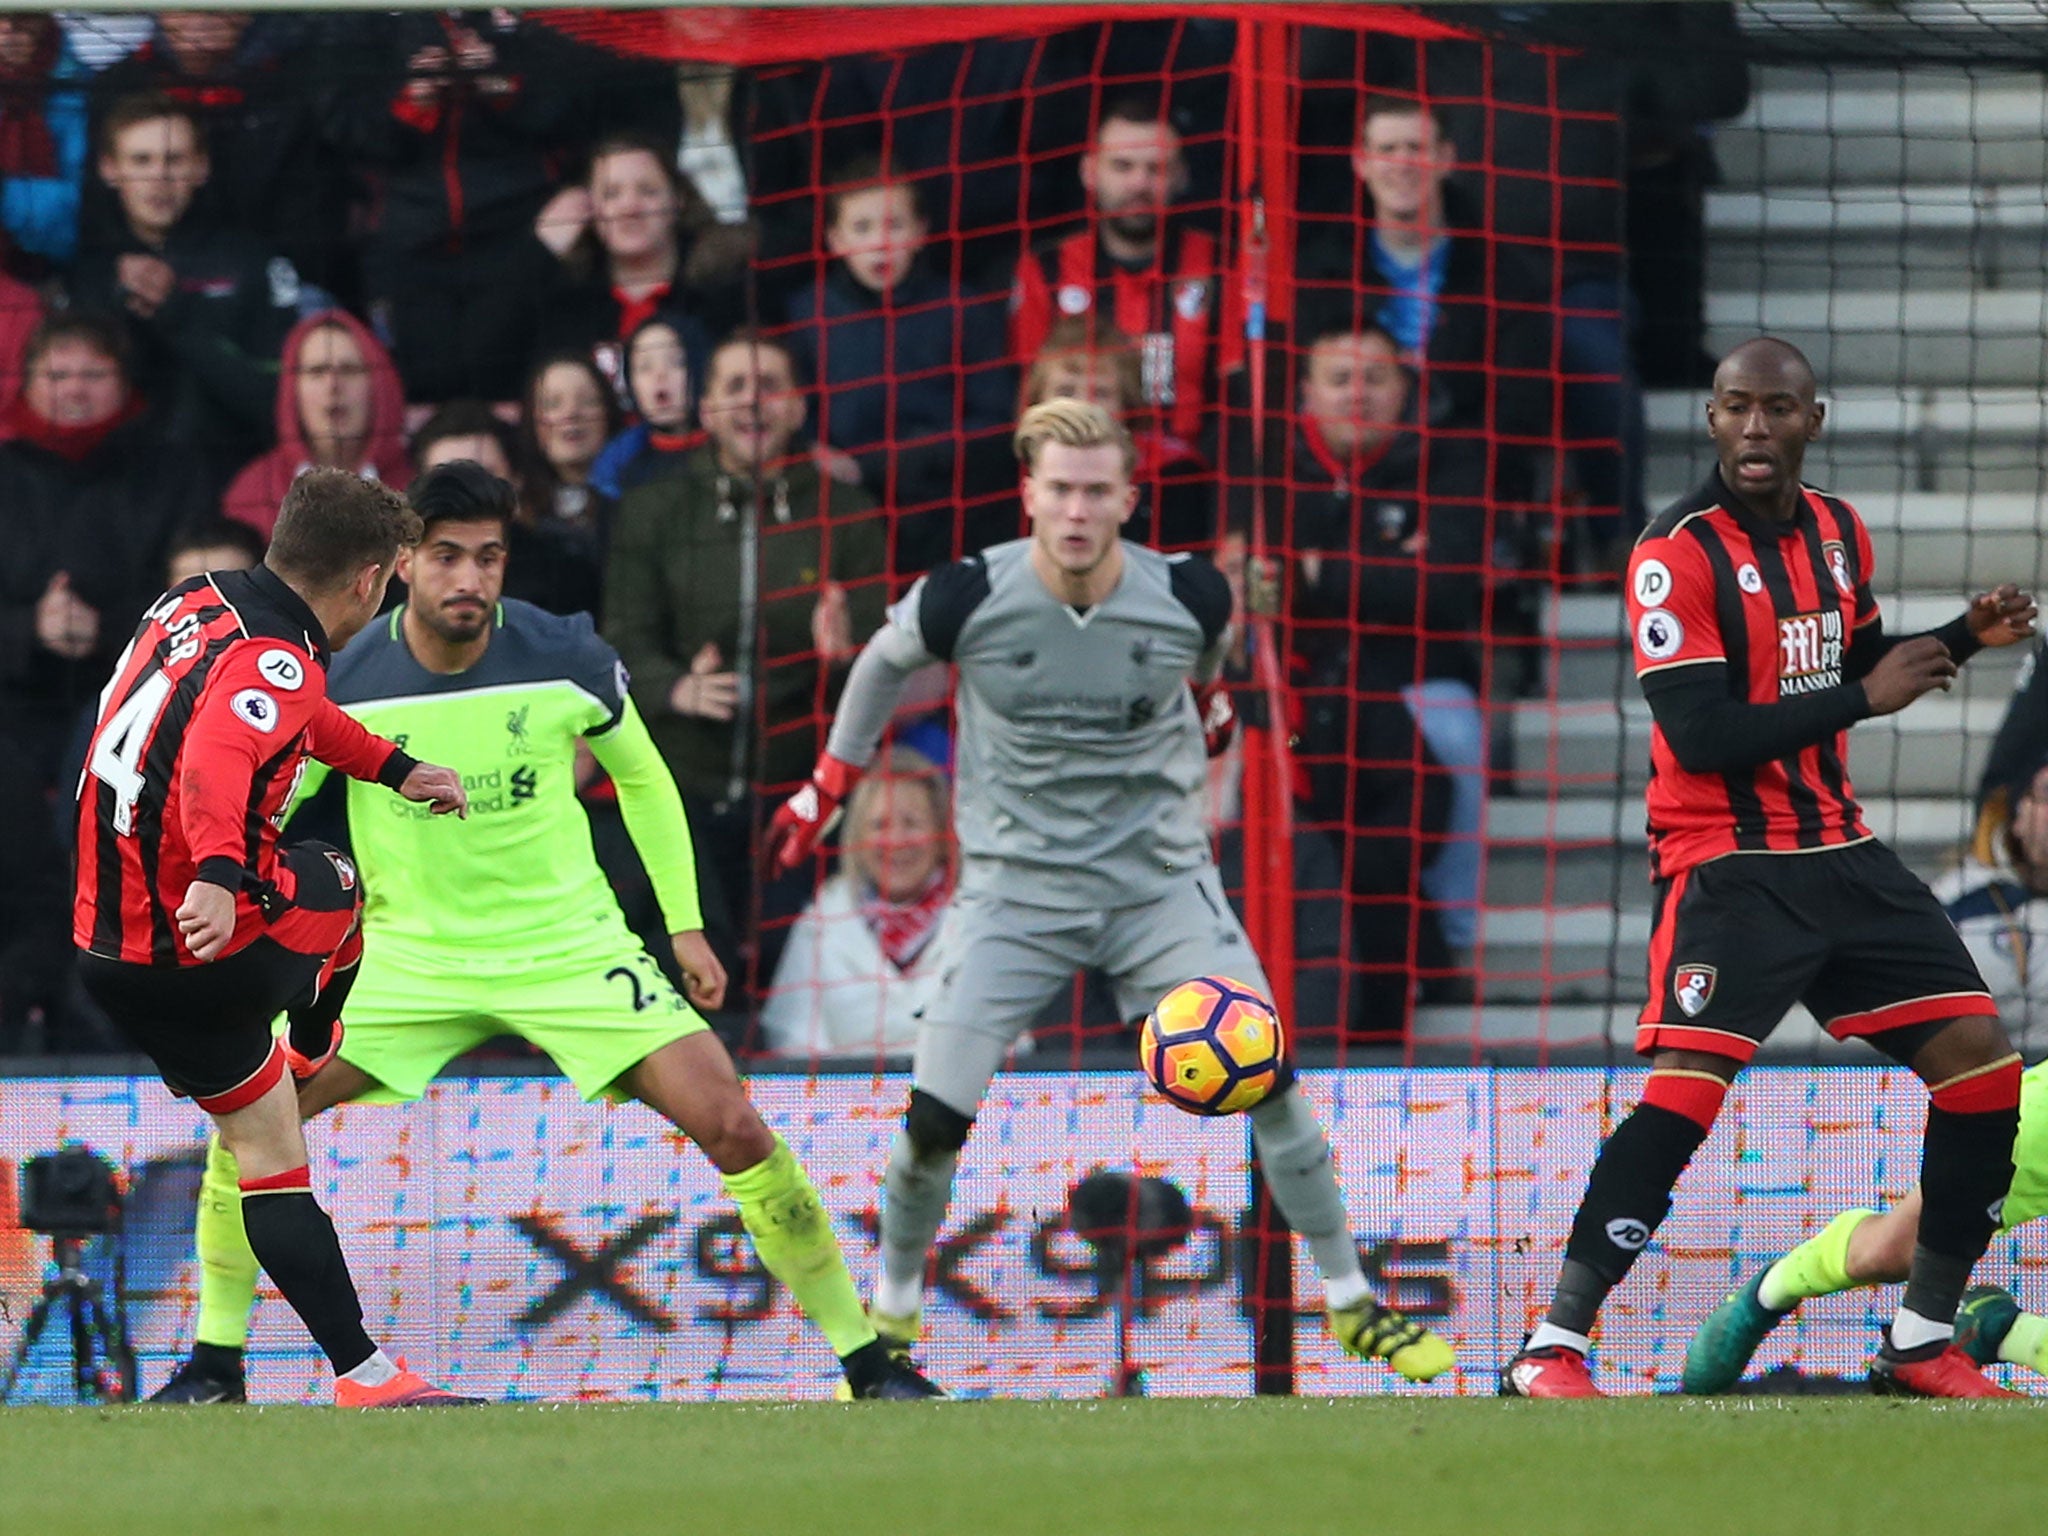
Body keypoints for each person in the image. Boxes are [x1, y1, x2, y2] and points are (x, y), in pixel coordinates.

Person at [147, 461, 940, 1405]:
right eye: (447, 557)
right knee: (249, 1124)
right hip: (408, 961)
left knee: (731, 1119)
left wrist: (683, 928)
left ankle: (865, 1363)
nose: (470, 579)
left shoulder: (564, 652)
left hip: (571, 948)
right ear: (402, 566)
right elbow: (267, 804)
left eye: (489, 557)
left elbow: (644, 779)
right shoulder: (342, 678)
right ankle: (214, 1366)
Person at [768, 399, 1454, 1383]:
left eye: (1096, 491)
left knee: (1274, 1087)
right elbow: (879, 665)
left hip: (1157, 890)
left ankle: (1349, 1303)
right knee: (929, 1129)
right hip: (1012, 896)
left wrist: (1212, 702)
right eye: (1059, 490)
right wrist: (830, 780)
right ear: (1028, 494)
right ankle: (893, 1319)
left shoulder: (1188, 595)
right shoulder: (965, 596)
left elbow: (1207, 661)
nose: (1077, 510)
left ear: (1128, 498)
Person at [1501, 338, 2039, 1400]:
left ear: (1812, 420)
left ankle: (1920, 1338)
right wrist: (1861, 698)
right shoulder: (1673, 555)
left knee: (1980, 1069)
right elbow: (1701, 734)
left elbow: (1856, 663)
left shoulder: (1837, 533)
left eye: (1777, 410)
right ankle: (1549, 1350)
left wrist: (1960, 638)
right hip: (1726, 866)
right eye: (1736, 408)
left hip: (1835, 850)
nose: (1756, 428)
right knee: (1683, 1097)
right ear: (1709, 421)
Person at [74, 466, 478, 1407]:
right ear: (368, 581)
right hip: (200, 942)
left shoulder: (198, 601)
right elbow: (220, 754)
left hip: (110, 949)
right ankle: (314, 1035)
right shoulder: (280, 658)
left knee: (268, 1146)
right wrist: (218, 876)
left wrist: (395, 766)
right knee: (337, 881)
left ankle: (365, 1376)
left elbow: (281, 716)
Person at [604, 328, 886, 993]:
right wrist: (676, 689)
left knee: (794, 981)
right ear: (705, 411)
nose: (753, 403)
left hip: (806, 791)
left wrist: (847, 651)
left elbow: (886, 647)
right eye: (734, 387)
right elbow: (621, 640)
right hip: (683, 791)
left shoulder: (844, 511)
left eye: (770, 387)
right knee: (698, 975)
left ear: (797, 406)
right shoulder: (654, 511)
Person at [0, 313, 213, 1047]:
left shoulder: (171, 469)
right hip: (14, 711)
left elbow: (197, 594)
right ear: (26, 383)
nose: (74, 391)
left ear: (124, 384)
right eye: (56, 375)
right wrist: (28, 628)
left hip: (136, 704)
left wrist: (111, 628)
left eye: (92, 374)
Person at [1274, 323, 1489, 1030]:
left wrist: (1321, 571)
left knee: (1455, 744)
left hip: (1415, 676)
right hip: (1299, 689)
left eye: (1374, 379)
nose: (1357, 394)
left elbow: (1446, 590)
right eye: (1339, 379)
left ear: (1406, 390)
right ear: (1306, 393)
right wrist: (1386, 566)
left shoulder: (1447, 464)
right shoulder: (1276, 468)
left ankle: (1452, 949)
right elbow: (1265, 590)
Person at [1294, 95, 1551, 514]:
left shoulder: (1503, 275)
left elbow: (1520, 408)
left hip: (1462, 483)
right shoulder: (1319, 271)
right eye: (1387, 150)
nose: (1403, 163)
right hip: (1340, 475)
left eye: (1416, 148)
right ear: (1361, 162)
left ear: (1447, 158)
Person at [786, 156, 1014, 576]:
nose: (880, 243)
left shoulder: (961, 310)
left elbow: (995, 420)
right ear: (834, 239)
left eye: (895, 225)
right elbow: (794, 413)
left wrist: (898, 459)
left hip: (946, 511)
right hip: (844, 513)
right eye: (862, 228)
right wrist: (812, 450)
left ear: (921, 231)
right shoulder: (807, 315)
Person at [70, 92, 305, 474]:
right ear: (109, 169)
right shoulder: (87, 272)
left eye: (174, 160)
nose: (159, 176)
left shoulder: (251, 261)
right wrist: (116, 304)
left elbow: (279, 401)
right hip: (118, 489)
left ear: (201, 168)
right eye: (141, 160)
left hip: (236, 483)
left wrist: (178, 317)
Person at [1009, 94, 1233, 449]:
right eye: (1122, 166)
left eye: (1155, 169)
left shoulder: (1222, 266)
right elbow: (1029, 400)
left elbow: (1239, 400)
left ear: (1181, 177)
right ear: (1089, 172)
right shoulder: (1044, 271)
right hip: (1078, 470)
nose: (1139, 184)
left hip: (1193, 483)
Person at [760, 744, 954, 1061]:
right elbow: (792, 1039)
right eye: (880, 825)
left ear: (941, 834)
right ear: (856, 837)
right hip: (848, 1103)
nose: (896, 841)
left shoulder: (976, 916)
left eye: (912, 823)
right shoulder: (821, 921)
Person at [526, 132, 734, 397]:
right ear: (589, 207)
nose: (630, 207)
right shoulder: (566, 305)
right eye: (611, 194)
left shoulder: (724, 290)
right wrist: (537, 252)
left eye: (648, 191)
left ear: (678, 200)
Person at [1022, 315, 1212, 553]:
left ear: (1127, 405)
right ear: (1039, 398)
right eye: (1066, 391)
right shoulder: (1004, 470)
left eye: (1100, 393)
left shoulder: (1174, 472)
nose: (1083, 406)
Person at [223, 310, 411, 539]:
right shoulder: (252, 492)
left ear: (380, 385)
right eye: (317, 371)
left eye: (349, 370)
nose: (333, 385)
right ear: (291, 390)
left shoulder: (419, 485)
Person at [510, 349, 621, 618]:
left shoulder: (638, 503)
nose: (571, 413)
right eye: (552, 404)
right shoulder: (514, 514)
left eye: (588, 401)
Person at [0, 13, 88, 269]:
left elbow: (83, 215)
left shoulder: (86, 89)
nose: (7, 27)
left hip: (57, 269)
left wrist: (5, 193)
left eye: (21, 14)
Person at [588, 311, 701, 499]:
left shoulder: (729, 446)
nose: (660, 375)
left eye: (677, 362)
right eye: (644, 366)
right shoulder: (617, 461)